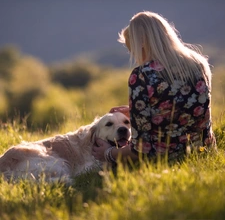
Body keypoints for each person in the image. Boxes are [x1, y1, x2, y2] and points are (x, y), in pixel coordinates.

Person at [92, 11, 216, 164]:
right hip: (203, 153)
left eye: (132, 47)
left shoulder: (141, 75)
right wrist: (135, 113)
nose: (134, 55)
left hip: (163, 161)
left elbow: (140, 150)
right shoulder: (198, 64)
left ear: (142, 42)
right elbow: (186, 109)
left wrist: (108, 153)